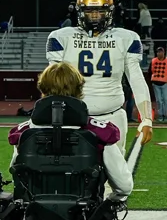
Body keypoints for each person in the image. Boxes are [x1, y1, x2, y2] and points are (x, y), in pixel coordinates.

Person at [45, 0, 154, 153]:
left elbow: (136, 79)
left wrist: (146, 118)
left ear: (109, 12)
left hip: (112, 115)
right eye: (90, 11)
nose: (95, 16)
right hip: (74, 117)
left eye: (99, 11)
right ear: (80, 11)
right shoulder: (62, 37)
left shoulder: (125, 38)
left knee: (114, 174)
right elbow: (52, 83)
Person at [11, 62, 135, 198]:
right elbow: (124, 186)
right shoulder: (101, 132)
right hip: (84, 216)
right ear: (79, 89)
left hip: (34, 215)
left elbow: (17, 176)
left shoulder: (23, 133)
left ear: (43, 89)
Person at [148, 45, 167, 122]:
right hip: (156, 84)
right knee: (159, 101)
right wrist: (152, 81)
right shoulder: (153, 61)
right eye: (158, 52)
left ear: (163, 52)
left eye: (160, 52)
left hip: (165, 83)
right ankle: (161, 116)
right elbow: (149, 72)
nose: (159, 53)